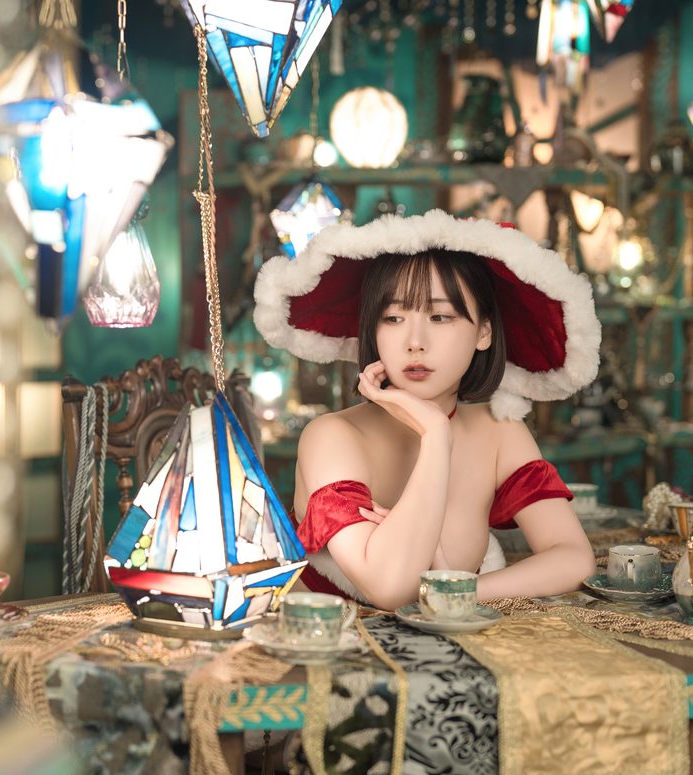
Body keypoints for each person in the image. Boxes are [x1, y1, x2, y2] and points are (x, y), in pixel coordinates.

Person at [254, 210, 600, 610]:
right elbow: (390, 589)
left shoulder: (500, 432)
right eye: (393, 318)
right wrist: (436, 434)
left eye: (440, 316)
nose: (415, 341)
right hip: (337, 645)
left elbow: (573, 558)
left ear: (483, 331)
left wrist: (460, 591)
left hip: (459, 643)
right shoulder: (332, 436)